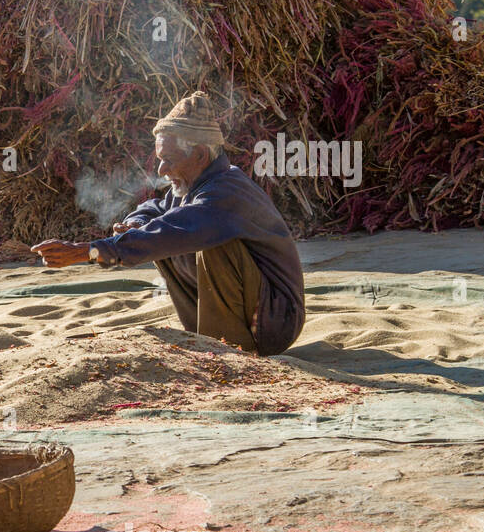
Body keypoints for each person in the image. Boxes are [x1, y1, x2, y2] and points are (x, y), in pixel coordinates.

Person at [31, 91, 305, 356]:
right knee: (158, 233)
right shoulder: (194, 186)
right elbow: (156, 208)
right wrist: (135, 223)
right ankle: (212, 340)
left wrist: (88, 251)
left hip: (274, 323)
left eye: (168, 160)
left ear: (199, 155)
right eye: (160, 160)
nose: (161, 171)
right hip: (258, 314)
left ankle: (229, 348)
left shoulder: (226, 192)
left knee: (188, 239)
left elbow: (172, 230)